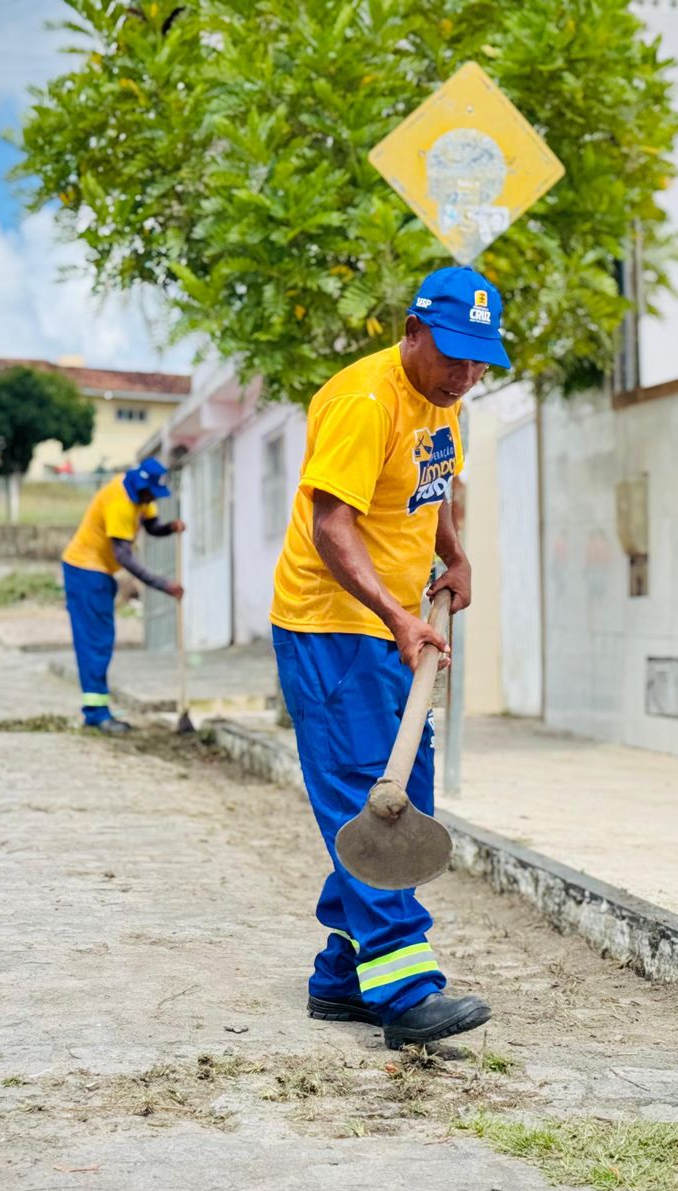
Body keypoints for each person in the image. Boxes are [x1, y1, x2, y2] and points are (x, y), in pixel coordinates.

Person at [270, 265, 507, 1050]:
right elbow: (330, 525)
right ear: (412, 331)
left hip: (396, 626)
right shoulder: (365, 401)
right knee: (376, 800)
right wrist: (399, 616)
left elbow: (430, 489)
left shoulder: (442, 402)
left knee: (408, 787)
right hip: (333, 625)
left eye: (480, 362)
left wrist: (456, 557)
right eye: (453, 357)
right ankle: (405, 989)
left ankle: (342, 978)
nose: (465, 377)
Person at [60, 456, 185, 734]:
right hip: (85, 571)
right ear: (142, 487)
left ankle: (98, 710)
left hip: (100, 572)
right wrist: (163, 585)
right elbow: (124, 556)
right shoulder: (119, 502)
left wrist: (170, 527)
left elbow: (152, 526)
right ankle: (96, 713)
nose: (153, 499)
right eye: (151, 494)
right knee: (95, 641)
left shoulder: (141, 495)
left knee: (102, 639)